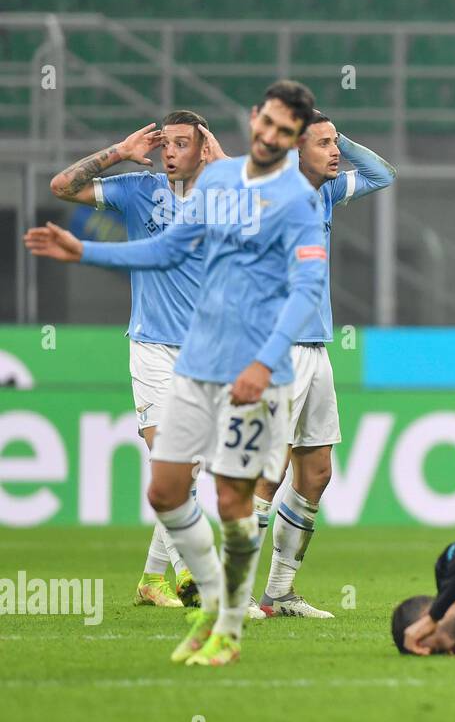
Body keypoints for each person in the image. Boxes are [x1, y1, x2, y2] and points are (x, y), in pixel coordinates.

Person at [25, 80, 327, 667]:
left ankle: (224, 618)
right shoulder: (182, 188)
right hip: (176, 358)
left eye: (283, 130)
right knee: (168, 485)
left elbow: (304, 284)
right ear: (251, 119)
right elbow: (160, 247)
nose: (269, 134)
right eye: (264, 121)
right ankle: (198, 588)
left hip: (245, 358)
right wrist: (88, 248)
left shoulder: (286, 196)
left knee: (233, 496)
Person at [47, 110, 225, 608]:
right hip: (151, 347)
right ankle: (197, 577)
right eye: (164, 143)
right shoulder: (135, 190)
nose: (169, 152)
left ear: (202, 147)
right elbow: (62, 186)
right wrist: (118, 153)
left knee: (184, 475)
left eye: (182, 143)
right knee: (168, 462)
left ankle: (151, 580)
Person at [250, 113, 396, 619]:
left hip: (317, 347)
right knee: (265, 470)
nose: (336, 152)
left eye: (337, 143)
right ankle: (232, 594)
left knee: (315, 471)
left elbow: (383, 174)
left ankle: (278, 594)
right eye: (325, 144)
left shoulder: (326, 194)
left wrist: (338, 137)